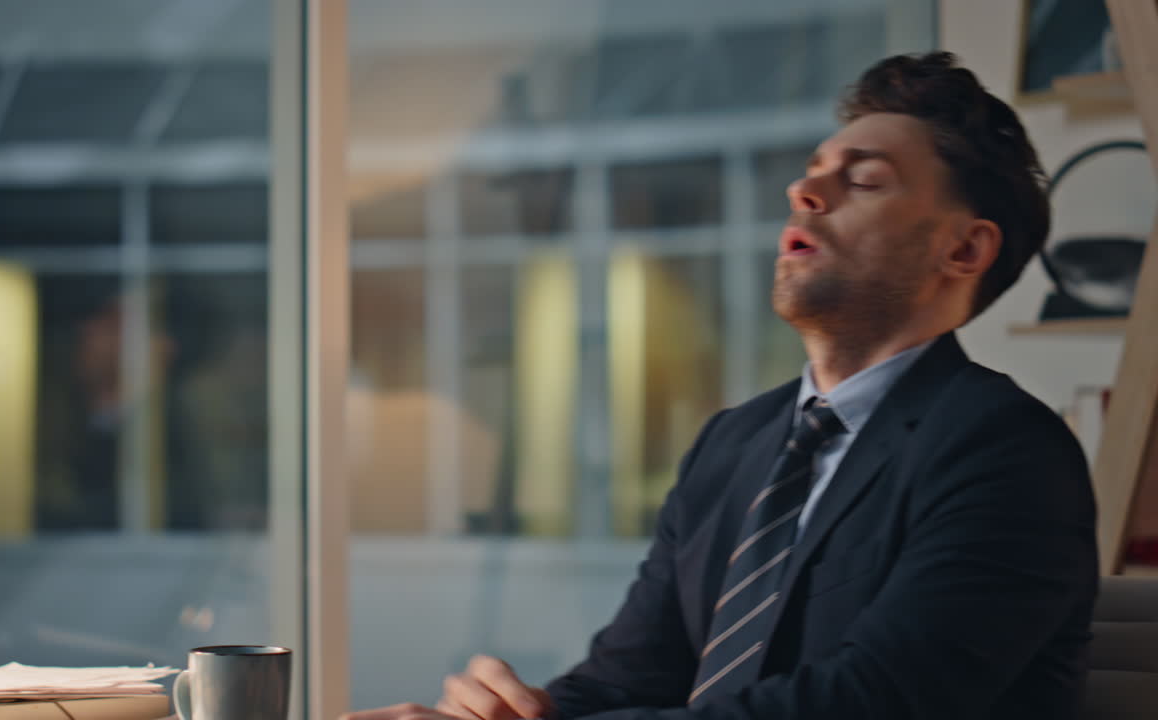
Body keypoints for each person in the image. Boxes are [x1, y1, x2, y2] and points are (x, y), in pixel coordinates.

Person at [343, 51, 1098, 720]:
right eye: (812, 171)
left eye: (865, 179)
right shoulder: (734, 443)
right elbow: (625, 680)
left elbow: (866, 703)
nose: (805, 190)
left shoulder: (1008, 452)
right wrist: (514, 714)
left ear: (964, 250)